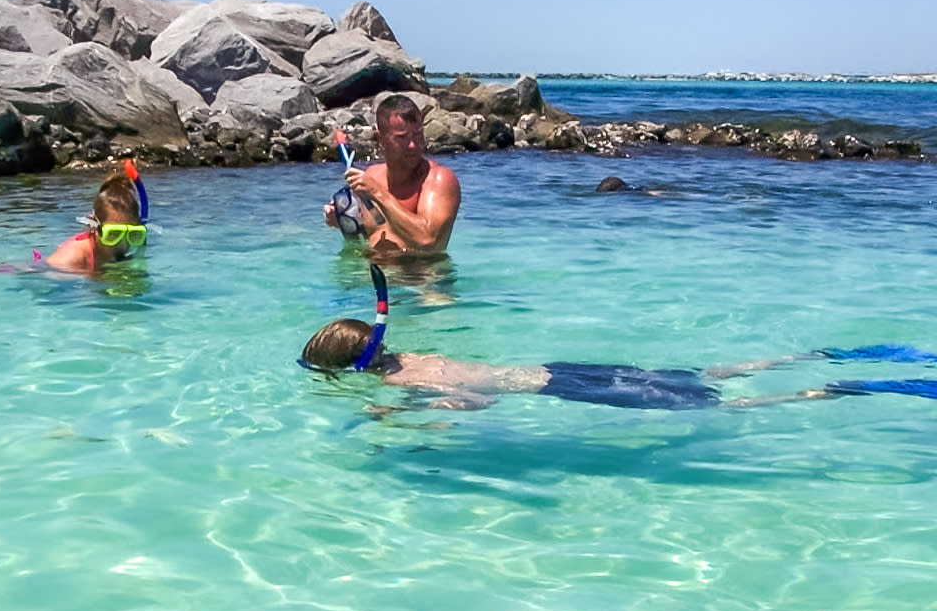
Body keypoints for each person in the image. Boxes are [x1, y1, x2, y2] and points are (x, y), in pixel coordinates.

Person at [299, 269, 937, 410]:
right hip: (554, 367)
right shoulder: (409, 356)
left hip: (566, 389)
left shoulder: (406, 379)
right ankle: (814, 358)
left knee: (716, 403)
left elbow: (478, 400)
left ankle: (831, 385)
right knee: (704, 374)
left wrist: (429, 417)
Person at [323, 95, 461, 256]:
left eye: (417, 135)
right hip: (372, 276)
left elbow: (427, 240)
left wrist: (378, 193)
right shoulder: (371, 175)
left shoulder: (439, 179)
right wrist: (340, 218)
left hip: (420, 277)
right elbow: (363, 236)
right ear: (380, 139)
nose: (413, 145)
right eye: (402, 137)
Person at [46, 173, 148, 274]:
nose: (123, 245)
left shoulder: (115, 252)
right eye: (113, 234)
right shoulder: (66, 263)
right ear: (93, 227)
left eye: (132, 234)